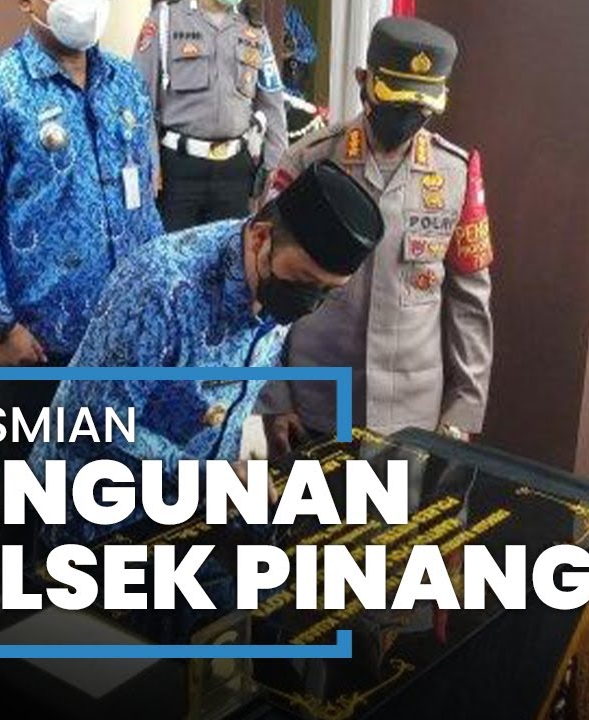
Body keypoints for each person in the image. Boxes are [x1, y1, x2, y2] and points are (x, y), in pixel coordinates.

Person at [30, 160, 384, 548]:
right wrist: (207, 477)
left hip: (192, 508)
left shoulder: (275, 274)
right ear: (260, 238)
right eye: (304, 282)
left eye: (327, 292)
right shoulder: (161, 287)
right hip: (95, 510)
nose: (311, 303)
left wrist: (273, 412)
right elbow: (97, 421)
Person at [0, 0, 164, 563]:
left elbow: (143, 198)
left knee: (115, 481)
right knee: (26, 491)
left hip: (122, 339)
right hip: (34, 344)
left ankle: (101, 597)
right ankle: (17, 598)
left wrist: (158, 300)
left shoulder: (125, 83)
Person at [256, 17, 494, 456]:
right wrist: (275, 397)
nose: (408, 117)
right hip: (315, 405)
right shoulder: (308, 162)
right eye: (395, 100)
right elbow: (265, 285)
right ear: (363, 81)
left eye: (421, 105)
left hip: (412, 416)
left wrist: (462, 411)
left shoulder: (456, 174)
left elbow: (470, 303)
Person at [135, 0, 288, 230]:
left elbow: (272, 101)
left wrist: (276, 163)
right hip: (179, 171)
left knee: (230, 248)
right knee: (178, 250)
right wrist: (149, 161)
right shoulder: (165, 19)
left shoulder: (254, 27)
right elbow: (139, 98)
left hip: (235, 172)